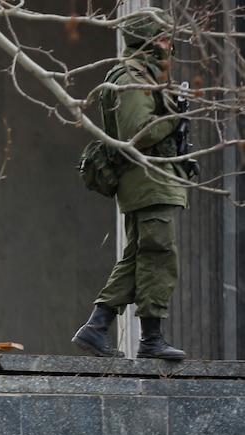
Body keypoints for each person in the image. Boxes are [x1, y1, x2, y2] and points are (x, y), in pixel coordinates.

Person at [72, 7, 193, 361]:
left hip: (155, 179)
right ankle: (151, 340)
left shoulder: (146, 75)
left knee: (140, 256)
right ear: (146, 40)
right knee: (159, 255)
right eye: (163, 38)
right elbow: (136, 132)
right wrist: (174, 116)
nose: (169, 45)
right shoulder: (132, 77)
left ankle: (96, 327)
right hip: (146, 181)